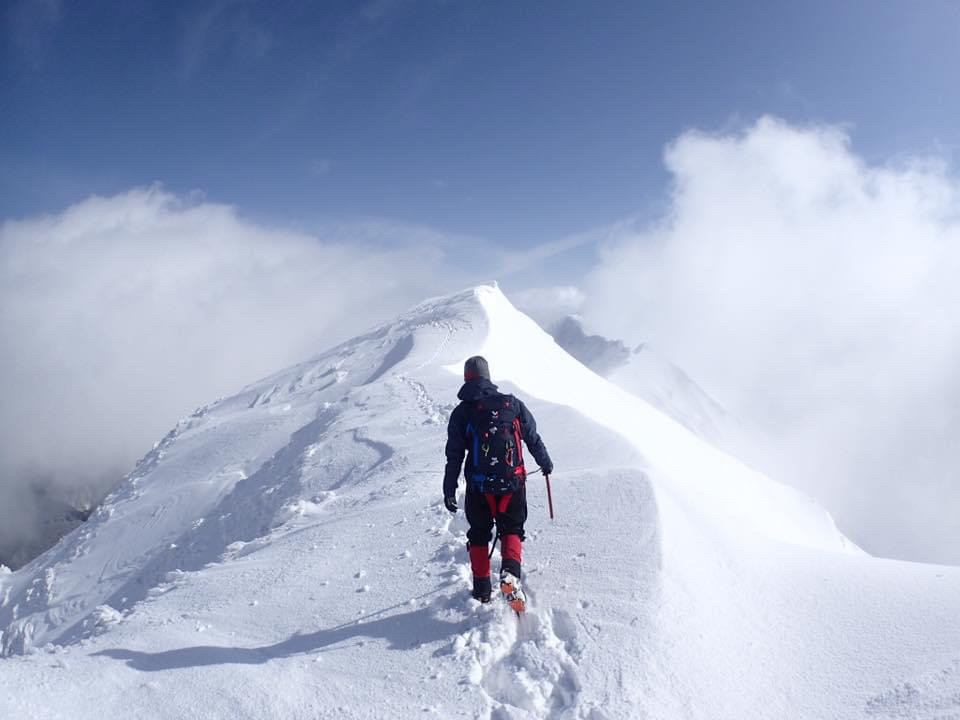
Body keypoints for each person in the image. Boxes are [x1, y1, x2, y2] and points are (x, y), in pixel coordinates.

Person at [443, 356, 553, 611]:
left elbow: (454, 454)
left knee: (479, 534)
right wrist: (545, 462)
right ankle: (511, 576)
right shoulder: (511, 404)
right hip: (512, 483)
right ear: (488, 377)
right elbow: (532, 437)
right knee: (512, 529)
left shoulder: (462, 413)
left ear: (466, 378)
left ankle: (482, 590)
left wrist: (449, 488)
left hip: (479, 487)